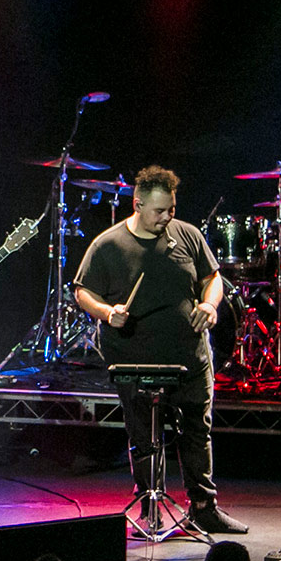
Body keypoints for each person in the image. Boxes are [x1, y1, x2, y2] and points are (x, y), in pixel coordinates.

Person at [72, 166, 247, 534]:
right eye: (159, 211)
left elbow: (212, 278)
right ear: (137, 205)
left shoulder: (188, 235)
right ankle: (149, 507)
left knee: (197, 432)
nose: (167, 217)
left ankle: (203, 507)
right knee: (144, 436)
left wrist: (210, 306)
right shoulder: (108, 244)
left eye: (171, 209)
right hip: (135, 359)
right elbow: (82, 291)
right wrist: (107, 312)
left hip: (189, 357)